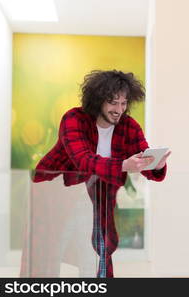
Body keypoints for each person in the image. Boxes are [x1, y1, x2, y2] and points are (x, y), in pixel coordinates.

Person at [27, 70, 171, 277]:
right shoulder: (74, 119)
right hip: (56, 196)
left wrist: (155, 163)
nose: (119, 109)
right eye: (113, 102)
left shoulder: (129, 127)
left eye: (123, 103)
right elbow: (83, 161)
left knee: (97, 254)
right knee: (48, 253)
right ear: (97, 100)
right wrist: (123, 165)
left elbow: (143, 160)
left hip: (97, 200)